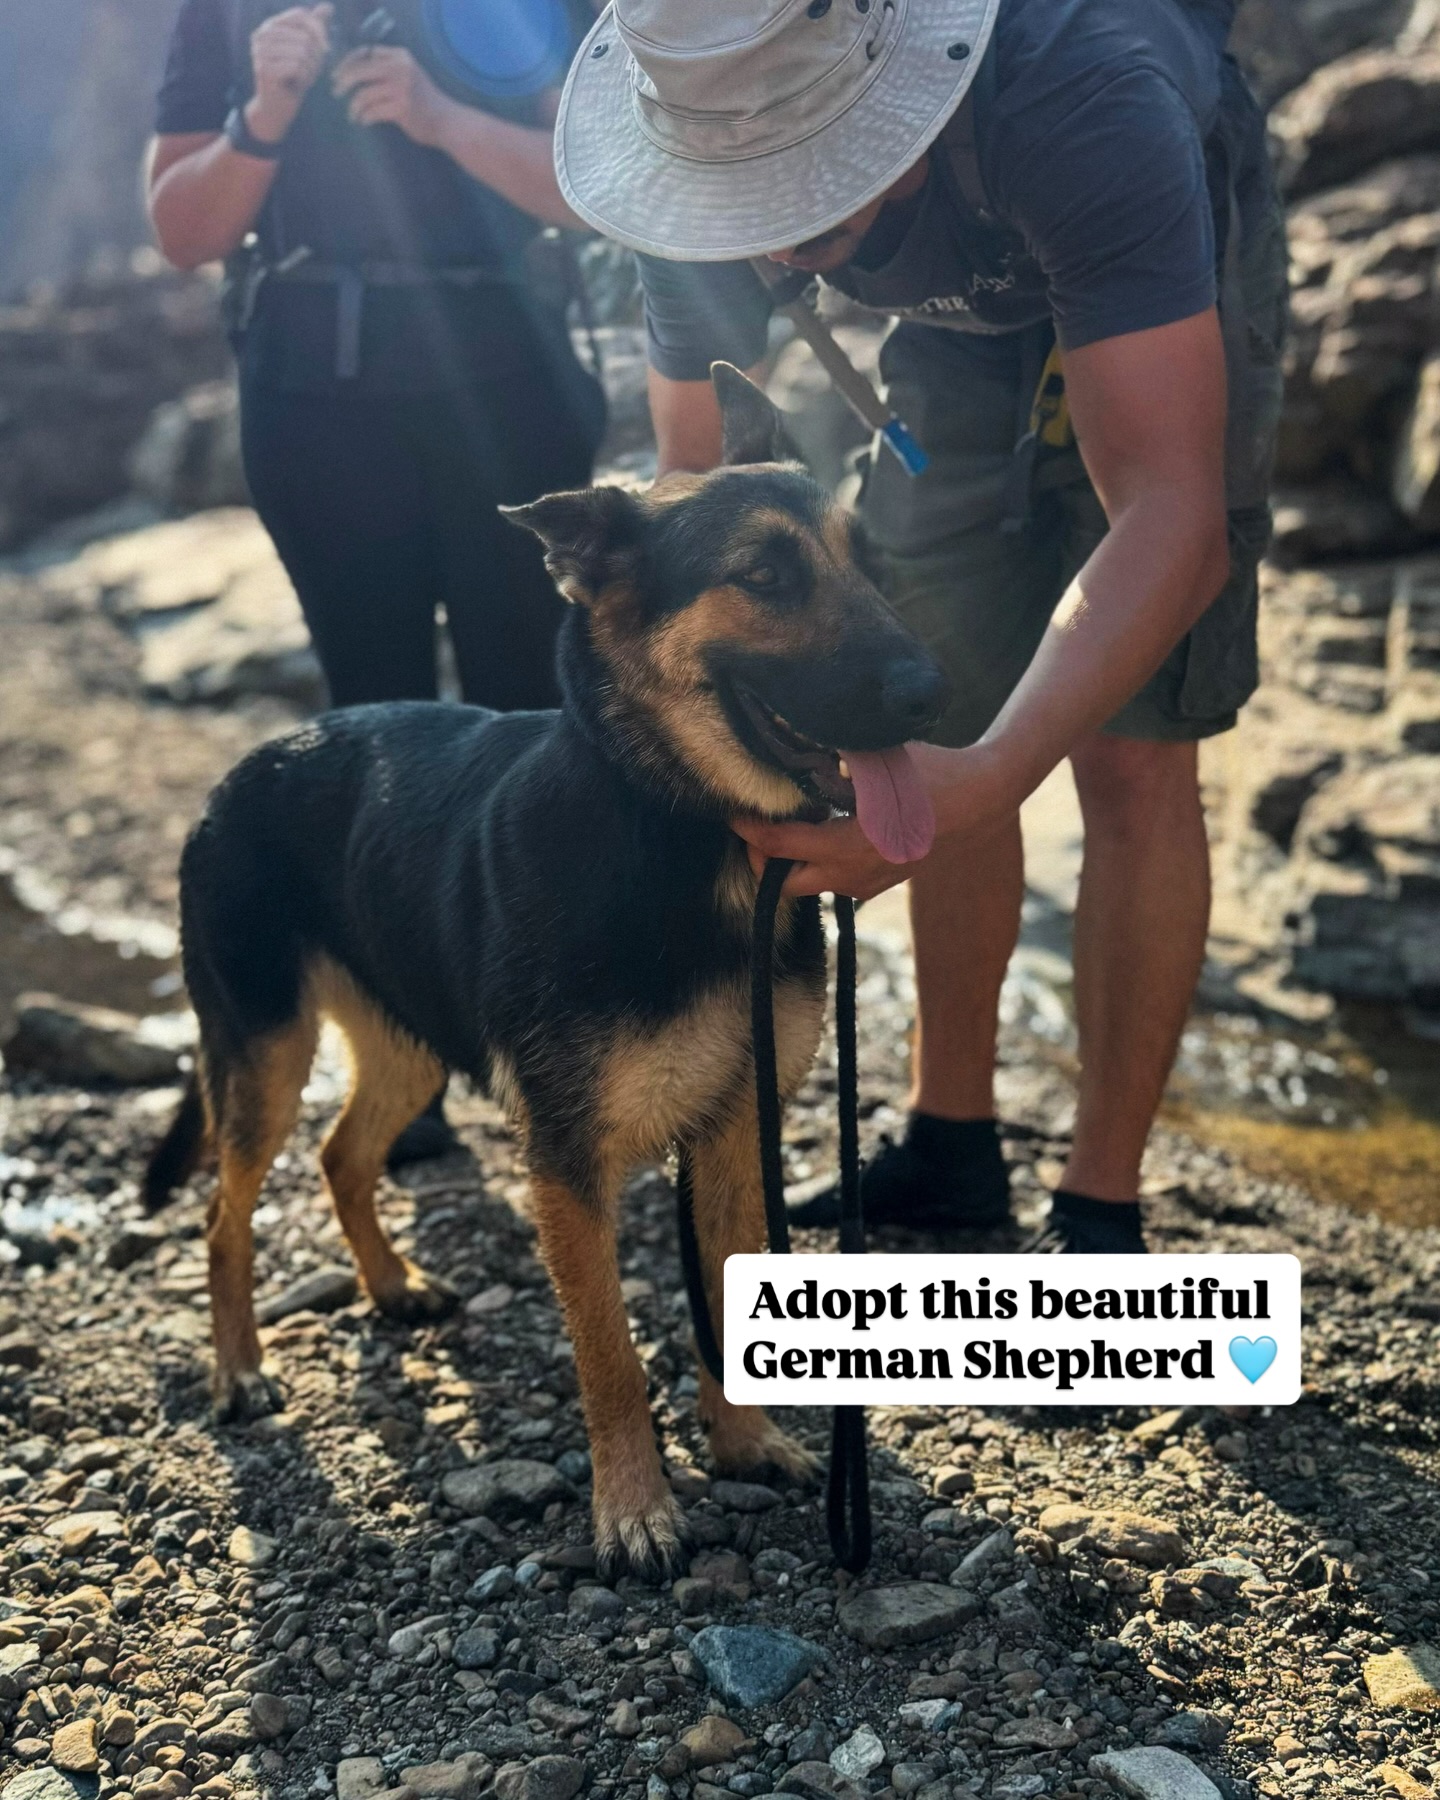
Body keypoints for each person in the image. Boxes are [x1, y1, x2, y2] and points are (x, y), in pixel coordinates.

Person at [553, 0, 1286, 1252]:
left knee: (1132, 753)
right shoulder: (700, 128)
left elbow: (1174, 518)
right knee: (919, 712)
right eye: (747, 210)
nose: (777, 251)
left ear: (896, 95)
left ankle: (1101, 1207)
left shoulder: (1082, 95)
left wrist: (996, 777)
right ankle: (952, 1148)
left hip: (1149, 266)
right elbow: (689, 489)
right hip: (954, 339)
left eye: (807, 195)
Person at [146, 0, 606, 1162]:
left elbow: (607, 186)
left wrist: (441, 117)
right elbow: (183, 230)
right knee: (373, 733)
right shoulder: (232, 12)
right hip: (316, 410)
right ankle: (409, 1075)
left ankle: (560, 1050)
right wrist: (264, 113)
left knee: (536, 721)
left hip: (511, 394)